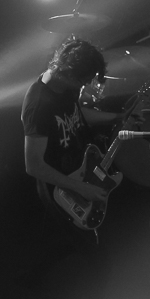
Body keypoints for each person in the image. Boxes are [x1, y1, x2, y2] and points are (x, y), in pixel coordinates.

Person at [22, 39, 123, 215]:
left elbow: (76, 112)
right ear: (68, 73)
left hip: (81, 173)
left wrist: (117, 118)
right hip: (60, 189)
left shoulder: (67, 87)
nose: (84, 85)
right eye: (82, 81)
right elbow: (34, 165)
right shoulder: (39, 104)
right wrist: (80, 188)